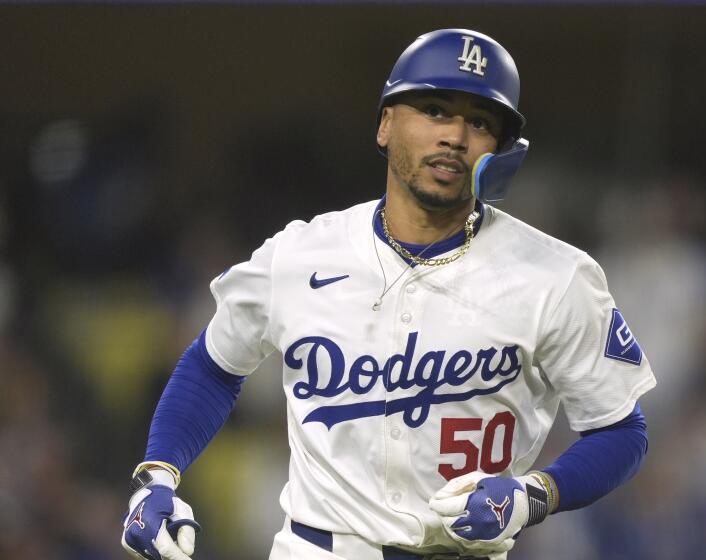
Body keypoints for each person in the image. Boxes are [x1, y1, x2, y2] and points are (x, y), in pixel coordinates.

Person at [121, 28, 656, 560]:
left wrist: (538, 493)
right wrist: (158, 475)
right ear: (385, 124)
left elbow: (621, 430)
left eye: (479, 122)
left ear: (500, 150)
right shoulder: (299, 255)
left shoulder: (555, 276)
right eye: (435, 110)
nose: (455, 136)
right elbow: (215, 365)